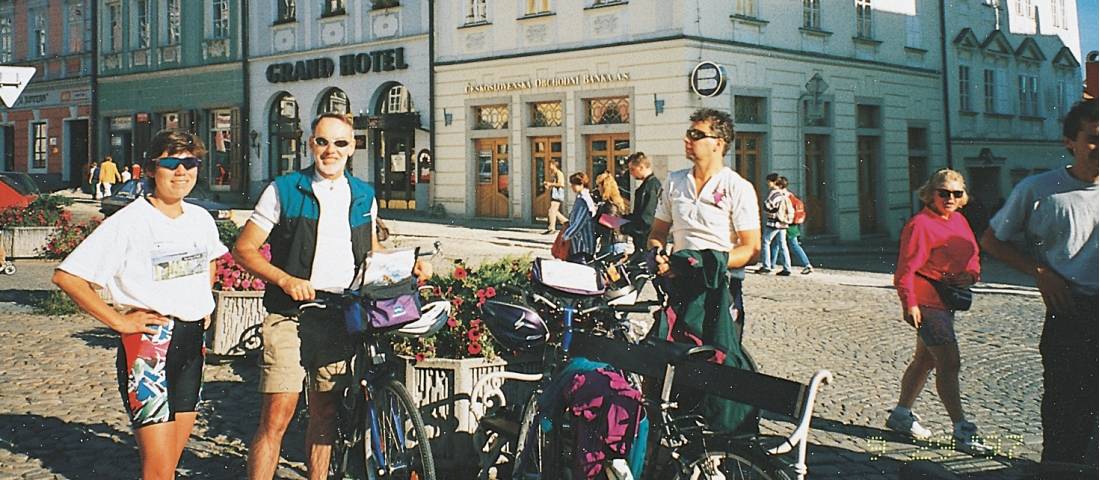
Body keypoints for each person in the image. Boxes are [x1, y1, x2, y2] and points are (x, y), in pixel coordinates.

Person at [235, 112, 431, 480]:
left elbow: (370, 254)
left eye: (340, 143)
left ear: (353, 146)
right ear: (310, 143)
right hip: (289, 314)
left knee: (325, 411)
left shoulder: (363, 194)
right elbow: (244, 249)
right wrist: (285, 279)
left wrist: (410, 266)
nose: (331, 150)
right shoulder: (284, 189)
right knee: (279, 411)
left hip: (338, 314)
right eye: (323, 141)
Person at [52, 130, 227, 479]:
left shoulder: (200, 218)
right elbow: (67, 277)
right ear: (150, 168)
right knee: (158, 469)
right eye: (171, 163)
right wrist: (119, 322)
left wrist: (202, 302)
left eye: (190, 163)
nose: (182, 172)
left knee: (171, 465)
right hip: (150, 349)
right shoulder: (130, 222)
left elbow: (211, 260)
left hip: (192, 345)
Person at [980, 99, 1097, 473]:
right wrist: (1040, 272)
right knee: (1066, 408)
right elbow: (992, 240)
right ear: (1069, 142)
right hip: (1072, 311)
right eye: (1093, 139)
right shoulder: (1039, 189)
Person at [647, 108, 761, 433]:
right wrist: (658, 253)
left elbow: (751, 248)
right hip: (678, 286)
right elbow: (657, 232)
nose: (688, 139)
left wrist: (708, 261)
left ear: (719, 143)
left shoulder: (737, 187)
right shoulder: (674, 182)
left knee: (718, 364)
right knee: (671, 362)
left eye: (697, 135)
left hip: (719, 287)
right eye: (689, 133)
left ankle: (720, 441)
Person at [886, 168, 985, 450]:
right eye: (943, 193)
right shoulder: (920, 224)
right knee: (949, 362)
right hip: (928, 303)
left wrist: (972, 275)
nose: (950, 198)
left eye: (956, 193)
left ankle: (901, 415)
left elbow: (973, 254)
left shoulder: (959, 221)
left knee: (925, 360)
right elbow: (905, 270)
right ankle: (961, 428)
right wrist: (910, 303)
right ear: (930, 194)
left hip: (948, 300)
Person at [768, 176, 814, 274]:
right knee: (777, 242)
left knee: (793, 244)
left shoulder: (782, 195)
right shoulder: (790, 195)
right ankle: (771, 264)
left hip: (786, 222)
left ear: (779, 185)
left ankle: (807, 264)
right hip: (790, 222)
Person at [620, 152, 661, 252]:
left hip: (646, 242)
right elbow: (638, 215)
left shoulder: (650, 187)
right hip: (642, 242)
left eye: (632, 169)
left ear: (641, 167)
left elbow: (646, 219)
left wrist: (625, 227)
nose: (630, 173)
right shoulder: (647, 186)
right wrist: (622, 219)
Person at [758, 173, 793, 276]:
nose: (768, 184)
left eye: (768, 181)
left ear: (773, 182)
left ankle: (766, 266)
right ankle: (787, 267)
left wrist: (767, 209)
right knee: (783, 245)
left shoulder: (774, 193)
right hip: (783, 222)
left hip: (774, 222)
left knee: (765, 241)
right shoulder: (784, 193)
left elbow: (767, 205)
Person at [562, 171, 597, 263]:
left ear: (581, 184)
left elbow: (579, 222)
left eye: (574, 184)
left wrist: (566, 235)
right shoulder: (581, 197)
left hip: (582, 244)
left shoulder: (584, 200)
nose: (572, 186)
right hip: (580, 243)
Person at [593, 172, 630, 257]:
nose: (597, 189)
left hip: (612, 244)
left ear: (604, 187)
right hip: (616, 242)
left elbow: (611, 224)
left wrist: (595, 221)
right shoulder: (617, 202)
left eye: (598, 186)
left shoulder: (610, 205)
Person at [543, 160, 568, 234]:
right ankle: (567, 223)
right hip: (555, 194)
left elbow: (561, 184)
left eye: (550, 164)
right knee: (555, 212)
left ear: (554, 165)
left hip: (557, 195)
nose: (549, 166)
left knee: (551, 211)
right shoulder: (554, 173)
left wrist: (550, 184)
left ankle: (551, 228)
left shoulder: (559, 173)